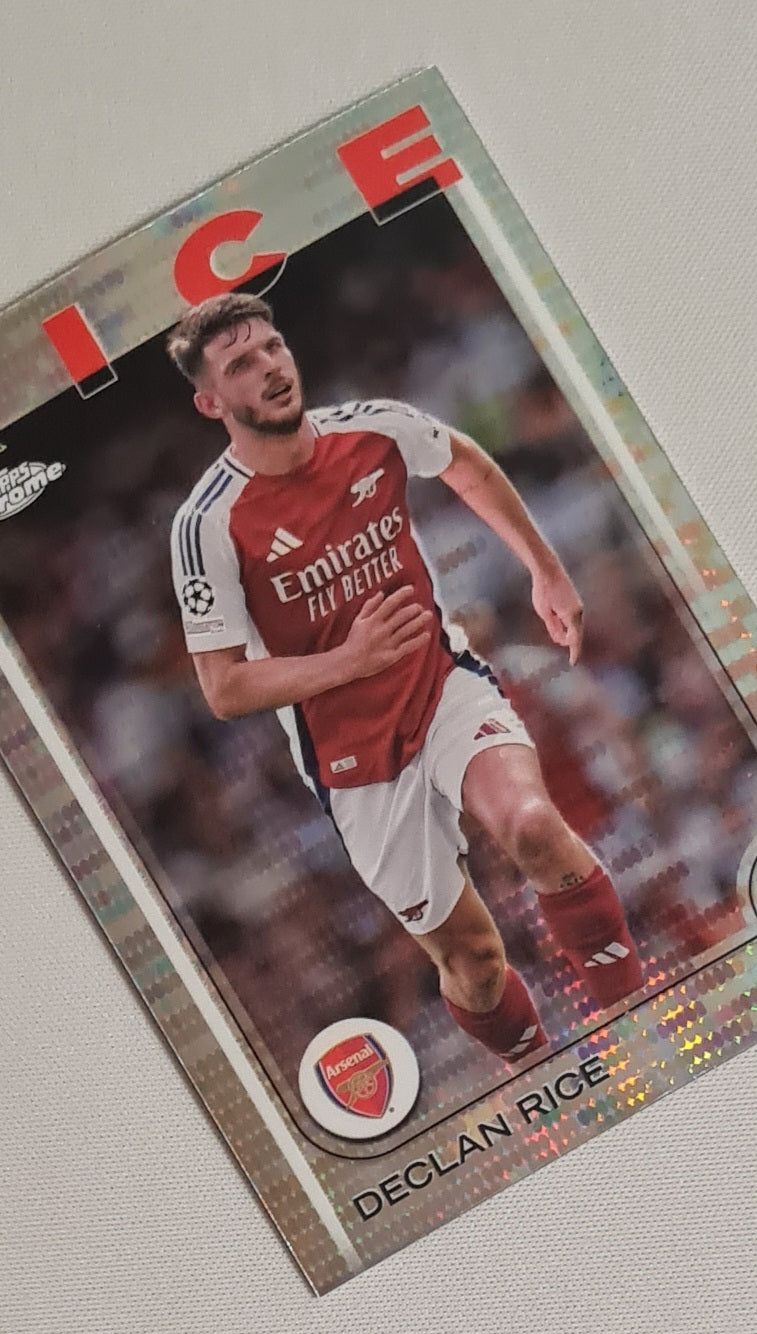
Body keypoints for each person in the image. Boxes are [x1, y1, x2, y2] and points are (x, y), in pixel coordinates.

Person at [166, 292, 643, 1064]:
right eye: (240, 364)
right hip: (352, 760)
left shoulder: (373, 426)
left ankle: (641, 1017)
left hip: (442, 684)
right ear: (211, 401)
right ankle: (535, 1066)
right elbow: (223, 689)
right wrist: (349, 662)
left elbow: (468, 465)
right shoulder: (206, 524)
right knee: (473, 962)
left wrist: (545, 571)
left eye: (272, 347)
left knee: (531, 825)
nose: (270, 368)